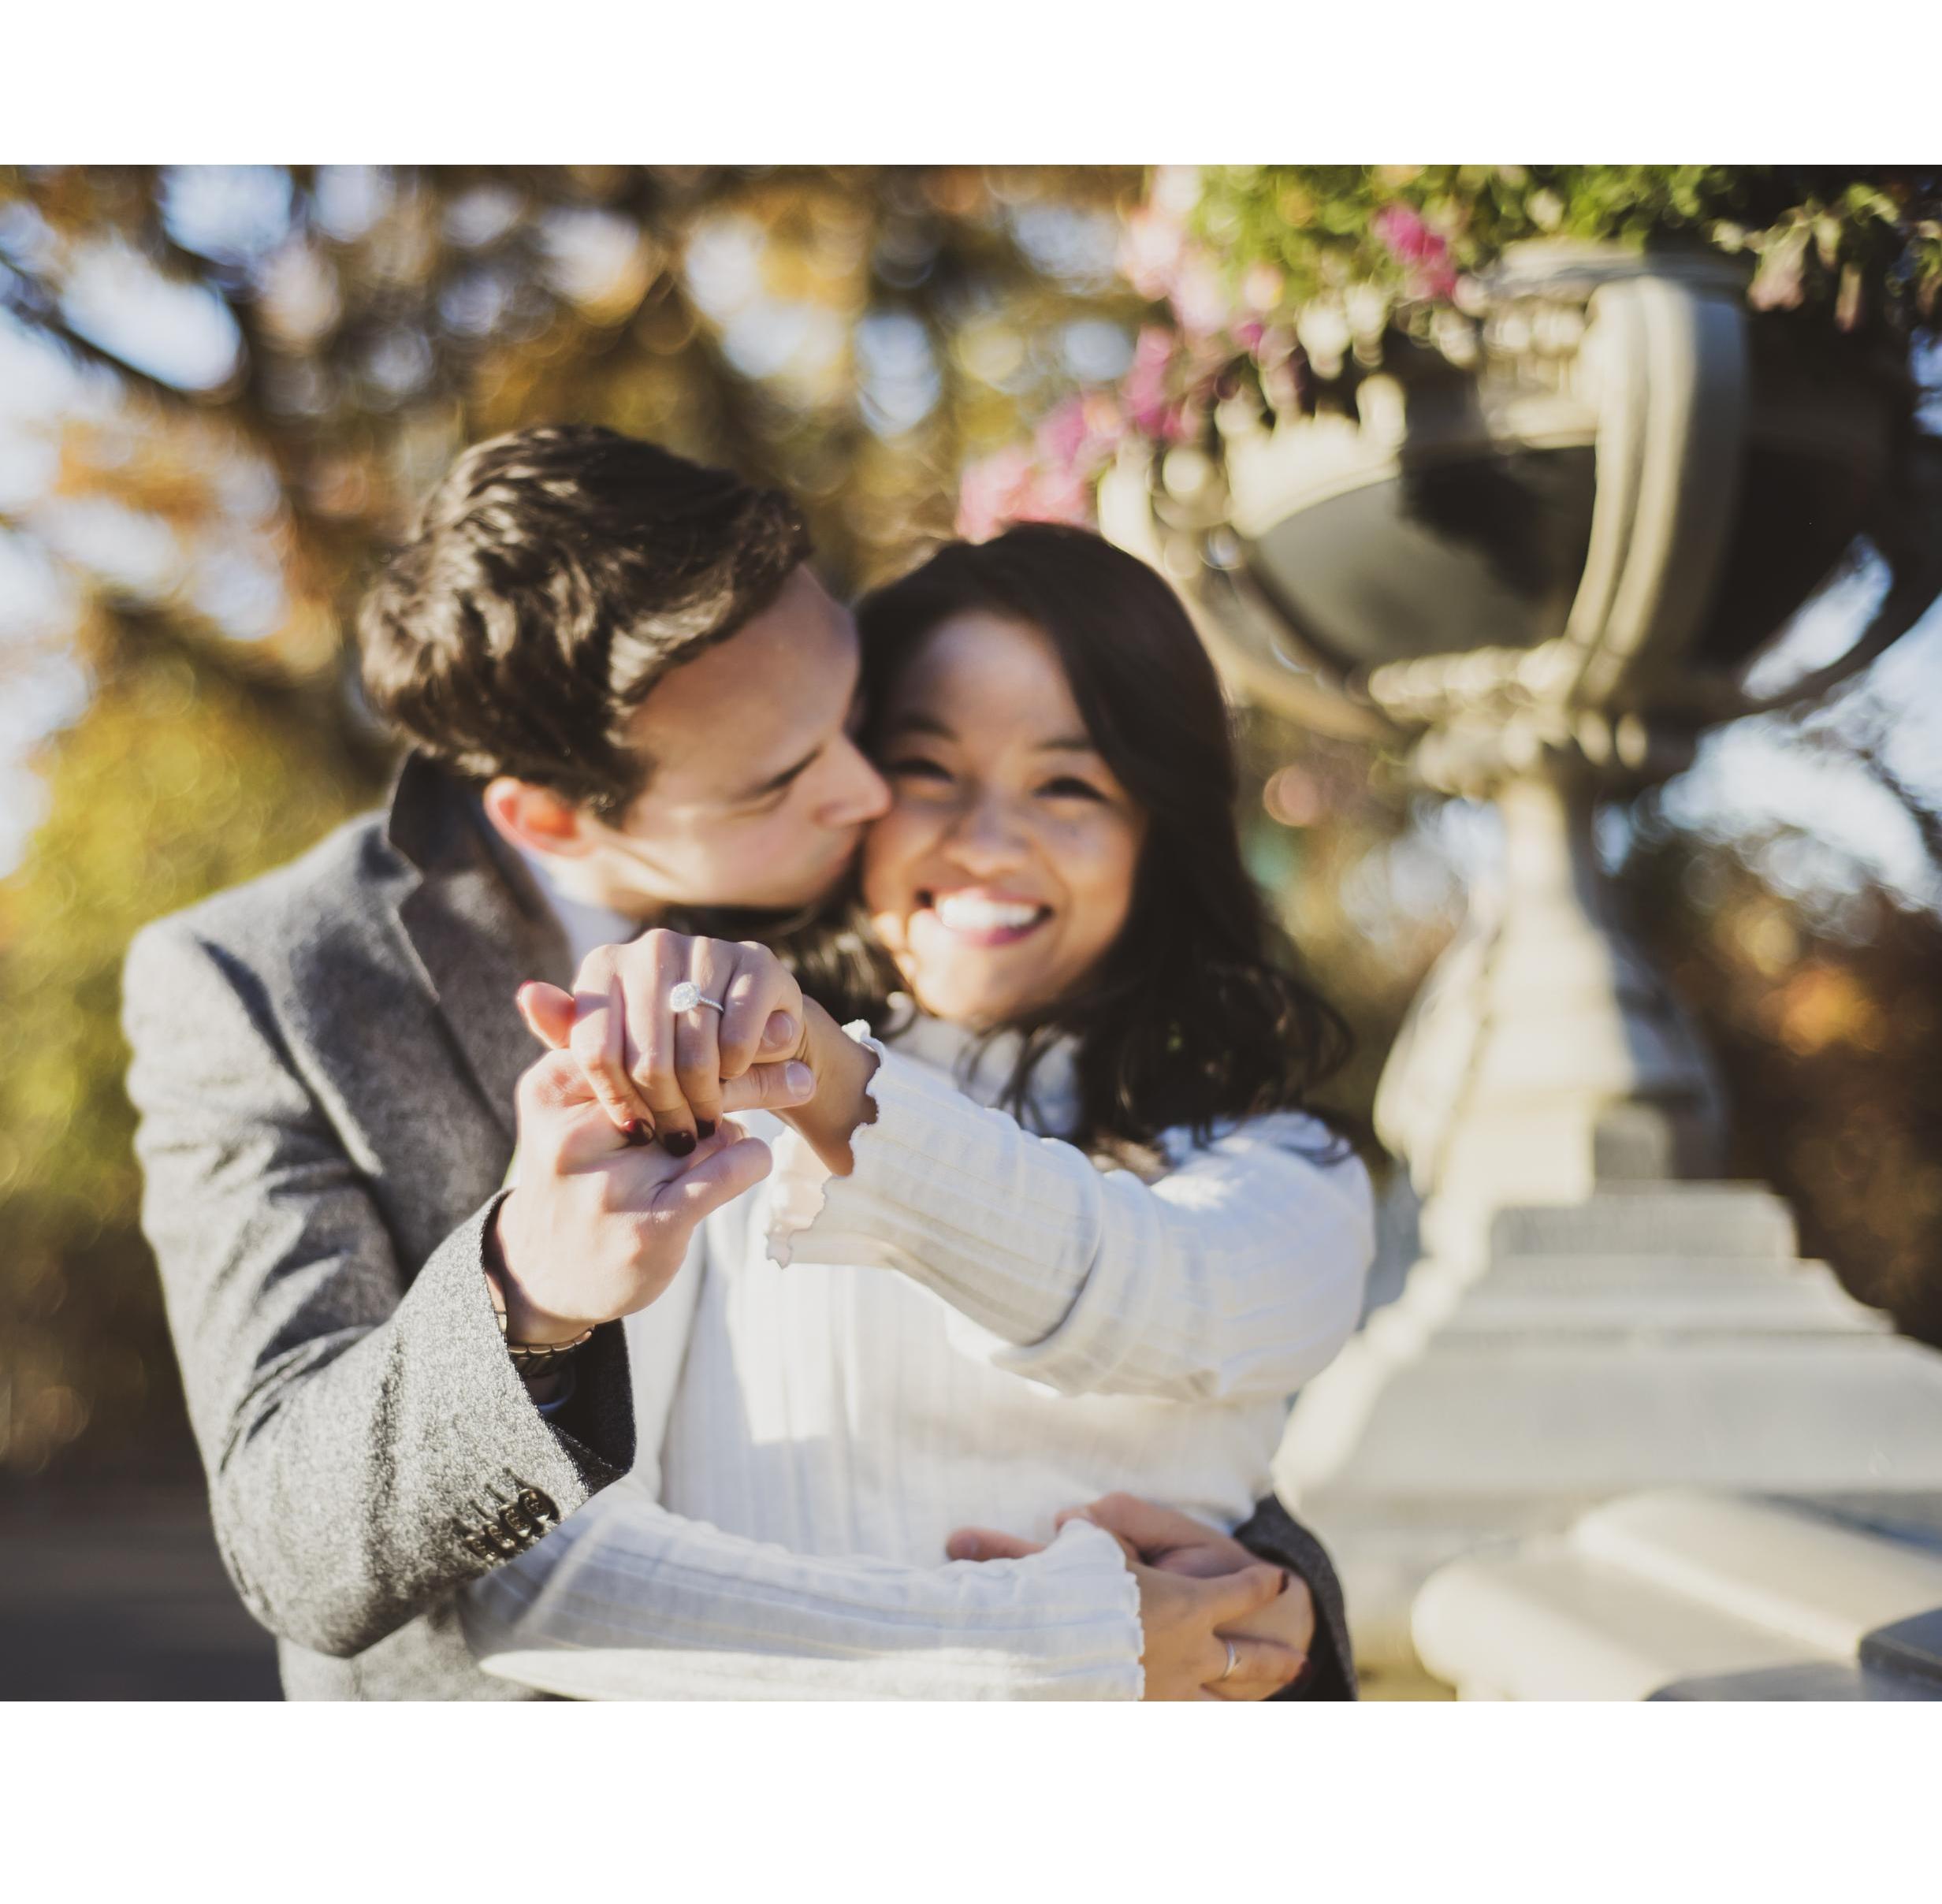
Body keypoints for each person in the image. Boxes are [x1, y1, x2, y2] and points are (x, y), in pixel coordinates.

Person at [121, 426, 1349, 1700]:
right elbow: (296, 1541)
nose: (875, 793)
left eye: (863, 715)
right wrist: (527, 1291)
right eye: (783, 780)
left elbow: (1182, 1316)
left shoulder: (865, 913)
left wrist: (1268, 1599)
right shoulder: (270, 984)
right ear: (553, 816)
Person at [460, 523, 1375, 1698]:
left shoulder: (1284, 1161)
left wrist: (835, 1086)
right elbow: (536, 1587)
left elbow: (1161, 1298)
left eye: (1069, 784)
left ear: (1160, 827)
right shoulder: (697, 1103)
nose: (988, 842)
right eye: (930, 770)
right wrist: (1055, 1650)